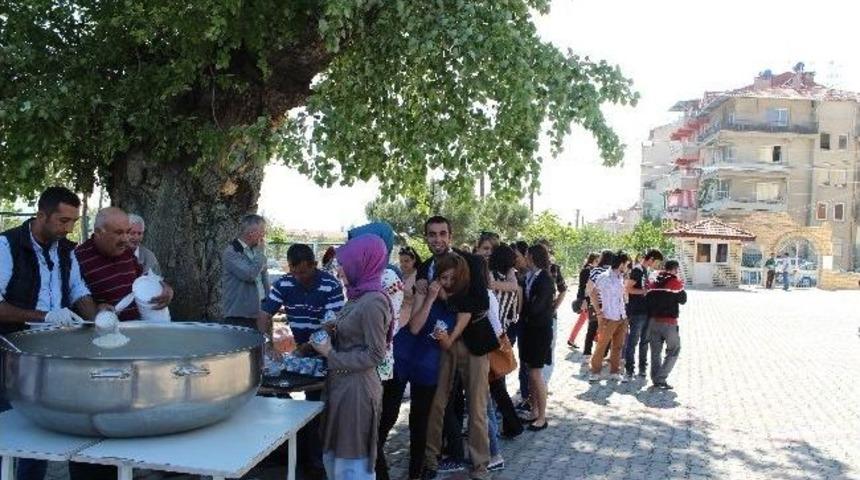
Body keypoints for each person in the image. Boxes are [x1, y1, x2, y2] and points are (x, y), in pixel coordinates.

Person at [0, 186, 100, 480]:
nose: (69, 228)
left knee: (39, 434)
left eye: (73, 221)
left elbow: (79, 291)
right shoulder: (7, 246)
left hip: (53, 354)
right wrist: (46, 316)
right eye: (63, 221)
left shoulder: (68, 250)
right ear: (41, 215)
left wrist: (98, 325)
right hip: (11, 353)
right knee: (8, 430)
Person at [257, 242, 345, 480]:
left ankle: (319, 462)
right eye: (295, 272)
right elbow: (265, 314)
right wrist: (268, 343)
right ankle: (306, 458)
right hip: (302, 351)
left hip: (328, 353)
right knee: (305, 407)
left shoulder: (331, 285)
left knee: (321, 407)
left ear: (315, 265)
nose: (299, 277)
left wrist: (306, 348)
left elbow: (332, 325)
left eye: (304, 272)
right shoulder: (285, 283)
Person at [416, 216, 491, 480]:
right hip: (437, 345)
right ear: (425, 236)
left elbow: (482, 302)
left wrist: (448, 298)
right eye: (432, 234)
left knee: (477, 406)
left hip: (472, 342)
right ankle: (430, 460)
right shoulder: (423, 267)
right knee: (436, 404)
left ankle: (480, 464)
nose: (437, 239)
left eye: (442, 233)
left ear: (451, 235)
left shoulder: (471, 261)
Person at [311, 234, 392, 480]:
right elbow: (357, 334)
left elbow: (376, 354)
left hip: (356, 391)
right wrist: (335, 327)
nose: (340, 269)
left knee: (351, 463)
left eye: (345, 263)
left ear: (362, 262)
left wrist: (330, 354)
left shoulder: (373, 302)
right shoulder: (358, 296)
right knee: (338, 457)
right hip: (344, 386)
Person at [383, 252, 469, 480]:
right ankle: (375, 466)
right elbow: (414, 327)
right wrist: (430, 298)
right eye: (444, 278)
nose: (447, 284)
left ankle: (415, 473)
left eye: (452, 279)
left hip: (428, 365)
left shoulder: (462, 308)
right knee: (388, 415)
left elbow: (448, 344)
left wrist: (444, 338)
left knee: (419, 423)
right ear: (436, 277)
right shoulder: (424, 292)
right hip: (403, 357)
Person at [76, 207, 173, 322]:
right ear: (98, 232)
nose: (126, 239)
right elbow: (75, 301)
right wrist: (97, 311)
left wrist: (164, 289)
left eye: (127, 232)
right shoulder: (78, 259)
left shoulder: (126, 251)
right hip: (107, 335)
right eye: (118, 233)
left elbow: (143, 280)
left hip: (141, 329)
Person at [487, 243, 524, 440]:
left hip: (491, 334)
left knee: (496, 384)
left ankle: (512, 425)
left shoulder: (491, 277)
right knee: (497, 382)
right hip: (503, 333)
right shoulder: (511, 277)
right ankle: (511, 425)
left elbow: (491, 287)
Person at [520, 244, 556, 431]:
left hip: (540, 330)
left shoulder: (545, 279)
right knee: (530, 371)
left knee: (536, 373)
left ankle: (542, 416)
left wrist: (523, 308)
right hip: (529, 329)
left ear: (532, 256)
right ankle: (534, 411)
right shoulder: (529, 277)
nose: (524, 258)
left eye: (526, 255)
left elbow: (536, 307)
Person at [588, 250, 631, 383]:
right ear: (621, 263)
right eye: (626, 264)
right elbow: (593, 294)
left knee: (618, 346)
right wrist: (599, 313)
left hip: (621, 316)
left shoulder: (621, 277)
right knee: (602, 345)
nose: (627, 267)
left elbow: (622, 296)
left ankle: (614, 371)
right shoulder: (604, 276)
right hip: (608, 316)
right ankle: (595, 371)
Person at [220, 214, 269, 329]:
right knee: (241, 347)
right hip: (240, 316)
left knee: (262, 346)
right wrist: (261, 254)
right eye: (262, 231)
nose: (264, 235)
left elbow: (264, 278)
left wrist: (269, 304)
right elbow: (249, 275)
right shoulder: (232, 252)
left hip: (261, 313)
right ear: (251, 232)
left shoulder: (256, 251)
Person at [623, 248, 664, 381]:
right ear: (651, 259)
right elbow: (628, 288)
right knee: (633, 342)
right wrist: (644, 291)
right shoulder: (637, 270)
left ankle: (642, 369)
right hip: (637, 312)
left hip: (647, 312)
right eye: (656, 262)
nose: (657, 265)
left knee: (644, 342)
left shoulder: (646, 271)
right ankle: (629, 370)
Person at [646, 260, 687, 390]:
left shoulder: (654, 281)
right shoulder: (675, 282)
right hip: (669, 323)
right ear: (675, 269)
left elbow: (647, 299)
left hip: (653, 322)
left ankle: (655, 379)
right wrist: (680, 281)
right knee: (674, 349)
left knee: (655, 352)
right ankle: (661, 378)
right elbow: (683, 300)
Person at [582, 250, 615, 362]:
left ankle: (587, 353)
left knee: (591, 328)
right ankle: (603, 354)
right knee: (608, 330)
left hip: (595, 303)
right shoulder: (613, 271)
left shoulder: (595, 270)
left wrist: (587, 297)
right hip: (609, 304)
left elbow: (588, 288)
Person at [567, 253, 599, 350]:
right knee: (592, 322)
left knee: (582, 321)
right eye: (597, 261)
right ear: (592, 260)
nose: (598, 263)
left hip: (586, 300)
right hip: (586, 300)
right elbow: (583, 287)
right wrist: (584, 300)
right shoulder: (587, 270)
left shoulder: (589, 269)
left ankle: (572, 339)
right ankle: (596, 339)